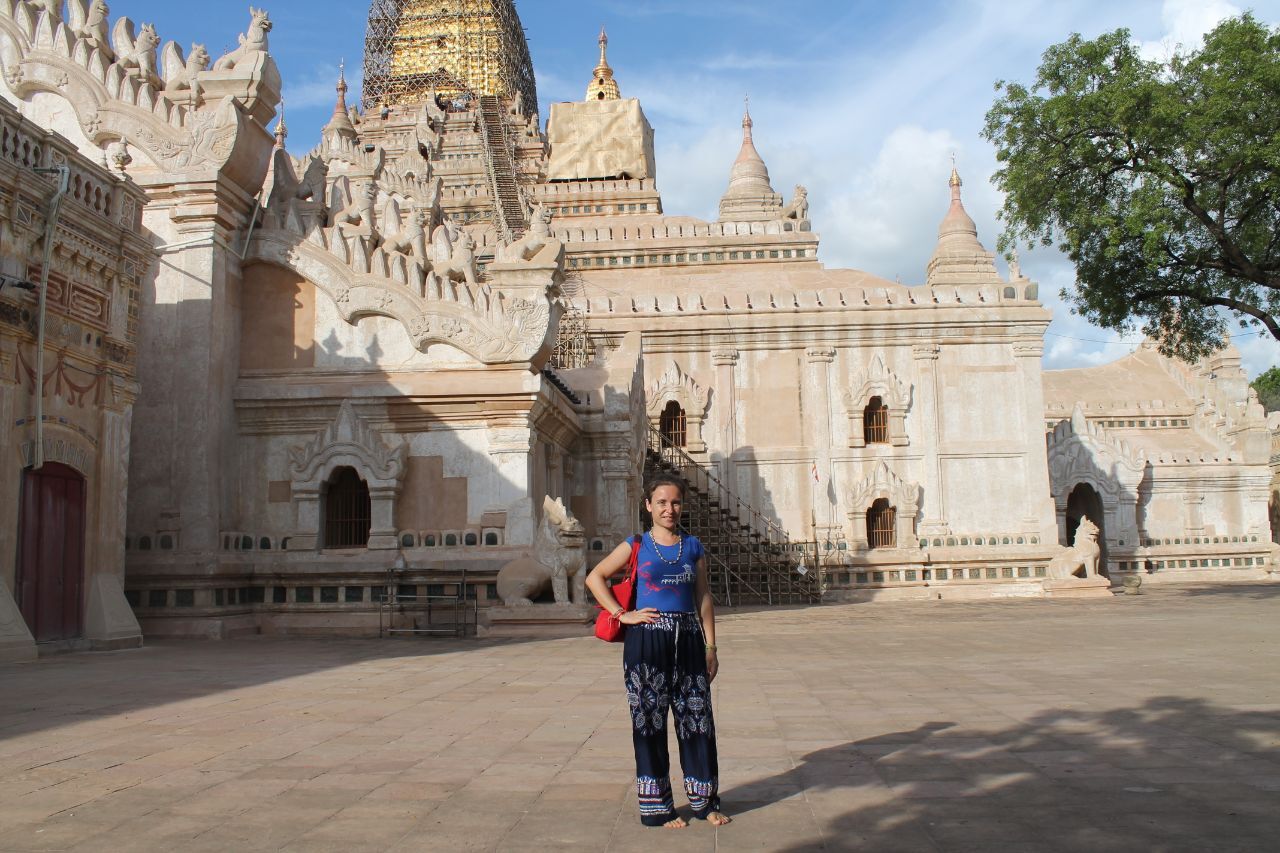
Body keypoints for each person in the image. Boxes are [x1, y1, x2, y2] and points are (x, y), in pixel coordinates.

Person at [585, 474, 732, 829]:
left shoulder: (693, 546)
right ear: (648, 505)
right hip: (646, 641)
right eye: (662, 502)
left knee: (697, 721)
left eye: (676, 502)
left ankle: (705, 801)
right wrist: (623, 614)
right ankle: (658, 807)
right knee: (648, 722)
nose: (670, 509)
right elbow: (595, 577)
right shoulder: (636, 544)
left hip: (689, 639)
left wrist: (711, 646)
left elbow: (703, 597)